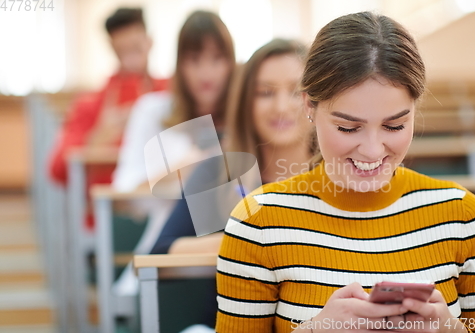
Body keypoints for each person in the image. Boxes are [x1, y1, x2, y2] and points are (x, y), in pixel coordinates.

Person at [216, 12, 475, 333]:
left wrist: (453, 330)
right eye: (348, 127)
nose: (373, 150)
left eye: (394, 125)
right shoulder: (257, 221)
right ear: (309, 106)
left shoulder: (464, 217)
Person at [149, 38, 313, 333]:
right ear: (245, 102)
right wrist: (250, 239)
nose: (281, 106)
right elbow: (160, 253)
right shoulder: (219, 176)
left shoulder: (340, 177)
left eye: (296, 91)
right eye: (265, 93)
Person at [112, 10, 235, 192]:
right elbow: (123, 191)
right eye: (194, 60)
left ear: (230, 63)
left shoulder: (245, 115)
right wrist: (185, 169)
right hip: (168, 218)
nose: (206, 73)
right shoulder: (151, 111)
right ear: (180, 64)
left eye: (216, 59)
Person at [49, 7, 167, 187]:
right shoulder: (90, 104)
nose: (131, 60)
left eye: (136, 49)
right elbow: (57, 170)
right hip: (107, 207)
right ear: (112, 48)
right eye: (123, 51)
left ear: (149, 42)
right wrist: (96, 138)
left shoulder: (171, 95)